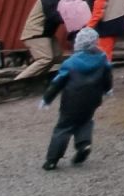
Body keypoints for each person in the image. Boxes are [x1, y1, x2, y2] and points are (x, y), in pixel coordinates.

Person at [40, 26, 112, 171]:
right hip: (92, 100)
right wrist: (107, 89)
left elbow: (58, 82)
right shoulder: (102, 58)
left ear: (78, 43)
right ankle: (84, 145)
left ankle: (52, 159)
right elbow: (107, 76)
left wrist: (47, 99)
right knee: (85, 121)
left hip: (72, 101)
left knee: (63, 127)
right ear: (95, 42)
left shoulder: (70, 63)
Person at [15, 0, 78, 79]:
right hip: (36, 33)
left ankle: (38, 79)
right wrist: (74, 19)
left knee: (56, 56)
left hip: (46, 33)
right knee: (45, 59)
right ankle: (18, 81)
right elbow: (54, 17)